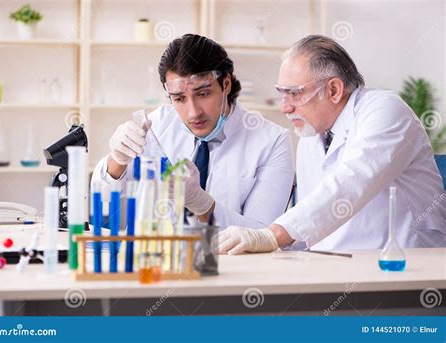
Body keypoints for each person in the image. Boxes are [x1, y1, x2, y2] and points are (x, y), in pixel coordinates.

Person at [217, 35, 446, 254]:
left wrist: (272, 235)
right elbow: (311, 220)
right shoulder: (310, 135)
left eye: (294, 94)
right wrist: (277, 247)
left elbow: (352, 181)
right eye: (282, 94)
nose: (285, 107)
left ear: (333, 90)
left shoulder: (385, 110)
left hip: (407, 264)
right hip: (338, 265)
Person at [91, 34, 294, 228]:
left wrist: (202, 205)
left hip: (233, 263)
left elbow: (264, 235)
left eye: (203, 93)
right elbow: (105, 207)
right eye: (179, 99)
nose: (193, 112)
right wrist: (117, 161)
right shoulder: (157, 126)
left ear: (226, 84)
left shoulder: (272, 141)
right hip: (161, 259)